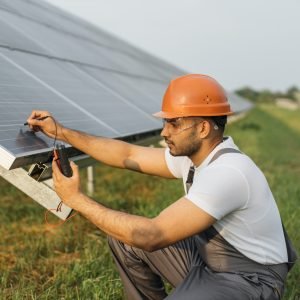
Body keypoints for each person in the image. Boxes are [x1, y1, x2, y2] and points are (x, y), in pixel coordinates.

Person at [26, 74, 291, 300]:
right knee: (124, 237)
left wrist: (77, 199)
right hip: (209, 261)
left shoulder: (227, 173)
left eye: (174, 123)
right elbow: (127, 154)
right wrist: (61, 132)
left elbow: (152, 236)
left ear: (202, 128)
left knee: (139, 236)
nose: (164, 132)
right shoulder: (195, 158)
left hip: (251, 280)